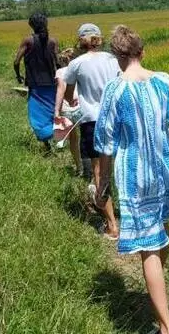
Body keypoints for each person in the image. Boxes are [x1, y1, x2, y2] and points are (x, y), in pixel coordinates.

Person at [94, 25, 169, 334]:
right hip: (166, 169)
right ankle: (158, 282)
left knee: (149, 246)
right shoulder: (164, 81)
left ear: (116, 56)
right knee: (162, 226)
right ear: (143, 52)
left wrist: (103, 182)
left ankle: (165, 328)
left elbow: (105, 142)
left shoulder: (115, 90)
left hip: (136, 178)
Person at [54, 23, 121, 239]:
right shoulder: (113, 59)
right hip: (117, 118)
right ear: (99, 39)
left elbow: (68, 93)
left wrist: (76, 99)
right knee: (119, 166)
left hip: (92, 121)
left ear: (80, 41)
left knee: (99, 171)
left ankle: (112, 225)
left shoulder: (76, 63)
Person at [13, 12, 59, 144]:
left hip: (35, 84)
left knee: (38, 115)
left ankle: (46, 142)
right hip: (51, 83)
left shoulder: (28, 41)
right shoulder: (53, 41)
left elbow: (16, 62)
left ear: (31, 25)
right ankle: (57, 139)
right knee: (52, 112)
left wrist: (18, 76)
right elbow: (58, 63)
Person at [55, 48, 84, 177]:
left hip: (67, 109)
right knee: (86, 136)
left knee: (73, 139)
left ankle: (79, 167)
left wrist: (56, 110)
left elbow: (60, 90)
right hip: (82, 107)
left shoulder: (60, 72)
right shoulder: (81, 69)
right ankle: (89, 165)